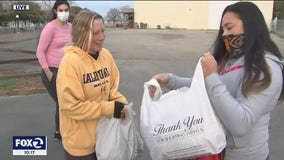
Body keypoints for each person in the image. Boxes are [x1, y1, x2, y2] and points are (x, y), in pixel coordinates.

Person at [149, 2, 284, 160]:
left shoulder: (265, 67)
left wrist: (212, 76)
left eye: (229, 27)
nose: (225, 35)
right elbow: (206, 87)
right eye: (223, 30)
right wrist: (171, 80)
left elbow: (240, 124)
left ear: (250, 25)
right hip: (216, 151)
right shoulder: (231, 59)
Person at [56, 10, 128, 160]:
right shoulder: (70, 62)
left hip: (104, 137)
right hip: (81, 145)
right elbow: (71, 106)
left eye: (102, 31)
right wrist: (109, 108)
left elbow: (112, 89)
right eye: (95, 33)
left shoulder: (106, 55)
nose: (101, 37)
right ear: (81, 34)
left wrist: (122, 104)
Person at [36, 0, 72, 140]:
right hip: (52, 71)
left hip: (67, 71)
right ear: (55, 11)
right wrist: (48, 72)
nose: (64, 13)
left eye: (66, 10)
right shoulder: (50, 28)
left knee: (65, 102)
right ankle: (61, 132)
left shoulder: (71, 27)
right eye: (61, 10)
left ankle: (61, 131)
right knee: (62, 102)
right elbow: (40, 51)